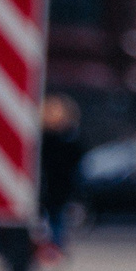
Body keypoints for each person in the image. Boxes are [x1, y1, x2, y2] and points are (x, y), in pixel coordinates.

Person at [37, 96, 84, 257]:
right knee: (42, 219)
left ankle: (56, 247)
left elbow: (76, 159)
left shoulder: (70, 136)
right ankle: (41, 248)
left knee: (57, 218)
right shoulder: (43, 136)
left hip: (61, 186)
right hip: (43, 185)